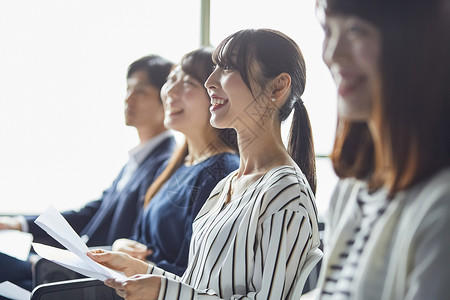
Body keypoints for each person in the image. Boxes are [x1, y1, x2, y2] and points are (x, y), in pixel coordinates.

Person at [88, 28, 321, 300]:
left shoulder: (285, 193)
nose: (210, 82)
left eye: (228, 67)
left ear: (278, 87)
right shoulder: (227, 184)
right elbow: (196, 287)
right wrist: (139, 268)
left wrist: (164, 293)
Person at [0, 54, 176, 290]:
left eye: (141, 91)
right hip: (78, 266)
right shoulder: (138, 160)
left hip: (97, 277)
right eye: (128, 89)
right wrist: (17, 223)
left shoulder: (166, 165)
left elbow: (139, 238)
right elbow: (91, 213)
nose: (128, 99)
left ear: (166, 98)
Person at [312, 0, 450, 299]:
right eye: (328, 30)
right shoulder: (351, 192)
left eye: (356, 30)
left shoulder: (441, 206)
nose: (332, 54)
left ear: (416, 41)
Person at [110, 47, 240, 276]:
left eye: (188, 83)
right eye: (171, 80)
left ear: (216, 95)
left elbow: (198, 275)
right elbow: (140, 241)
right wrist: (122, 246)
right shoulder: (173, 166)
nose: (170, 91)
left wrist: (137, 267)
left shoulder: (222, 172)